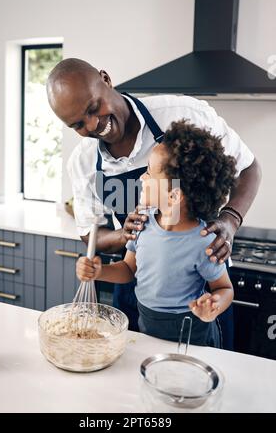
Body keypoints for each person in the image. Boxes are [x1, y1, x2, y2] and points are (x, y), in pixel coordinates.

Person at [47, 58, 261, 340]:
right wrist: (124, 235)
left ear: (105, 79)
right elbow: (92, 236)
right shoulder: (84, 162)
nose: (93, 125)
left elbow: (249, 168)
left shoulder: (182, 113)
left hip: (198, 308)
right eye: (77, 124)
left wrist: (230, 220)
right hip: (137, 294)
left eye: (92, 108)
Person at [76, 121, 235, 346]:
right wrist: (99, 272)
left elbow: (224, 288)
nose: (142, 178)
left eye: (150, 173)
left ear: (173, 196)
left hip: (191, 333)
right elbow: (129, 269)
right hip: (148, 326)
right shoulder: (143, 222)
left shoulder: (204, 241)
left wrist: (214, 304)